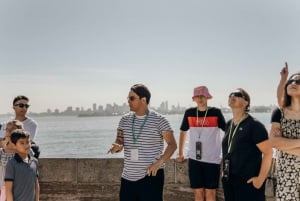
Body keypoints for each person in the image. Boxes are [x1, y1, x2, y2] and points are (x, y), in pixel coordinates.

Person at [107, 84, 177, 201]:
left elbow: (172, 145)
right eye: (128, 98)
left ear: (143, 100)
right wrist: (117, 147)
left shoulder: (159, 120)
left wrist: (159, 163)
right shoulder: (124, 120)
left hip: (151, 177)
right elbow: (119, 141)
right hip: (127, 179)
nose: (128, 101)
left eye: (132, 98)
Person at [221, 88, 273, 201]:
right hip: (229, 180)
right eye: (230, 94)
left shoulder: (254, 125)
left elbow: (268, 153)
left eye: (237, 94)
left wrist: (260, 180)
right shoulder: (229, 124)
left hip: (248, 183)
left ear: (246, 102)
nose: (232, 96)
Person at [175, 86, 226, 201]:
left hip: (212, 159)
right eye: (197, 96)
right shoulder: (189, 113)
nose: (200, 98)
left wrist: (228, 152)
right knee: (198, 192)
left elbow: (227, 131)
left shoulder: (215, 112)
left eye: (202, 96)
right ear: (194, 99)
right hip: (194, 159)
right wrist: (180, 153)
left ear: (207, 97)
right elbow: (183, 132)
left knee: (211, 192)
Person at [269, 72, 300, 200]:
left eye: (298, 81)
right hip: (287, 174)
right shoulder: (279, 113)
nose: (293, 83)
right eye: (290, 81)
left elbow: (278, 143)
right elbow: (272, 142)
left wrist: (283, 144)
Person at [4, 129, 39, 201]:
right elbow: (8, 190)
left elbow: (36, 184)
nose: (26, 145)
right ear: (14, 145)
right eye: (22, 143)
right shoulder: (11, 164)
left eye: (27, 142)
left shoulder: (34, 162)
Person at [0, 120, 23, 201]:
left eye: (12, 130)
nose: (8, 132)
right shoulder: (2, 152)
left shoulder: (24, 151)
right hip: (4, 189)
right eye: (7, 129)